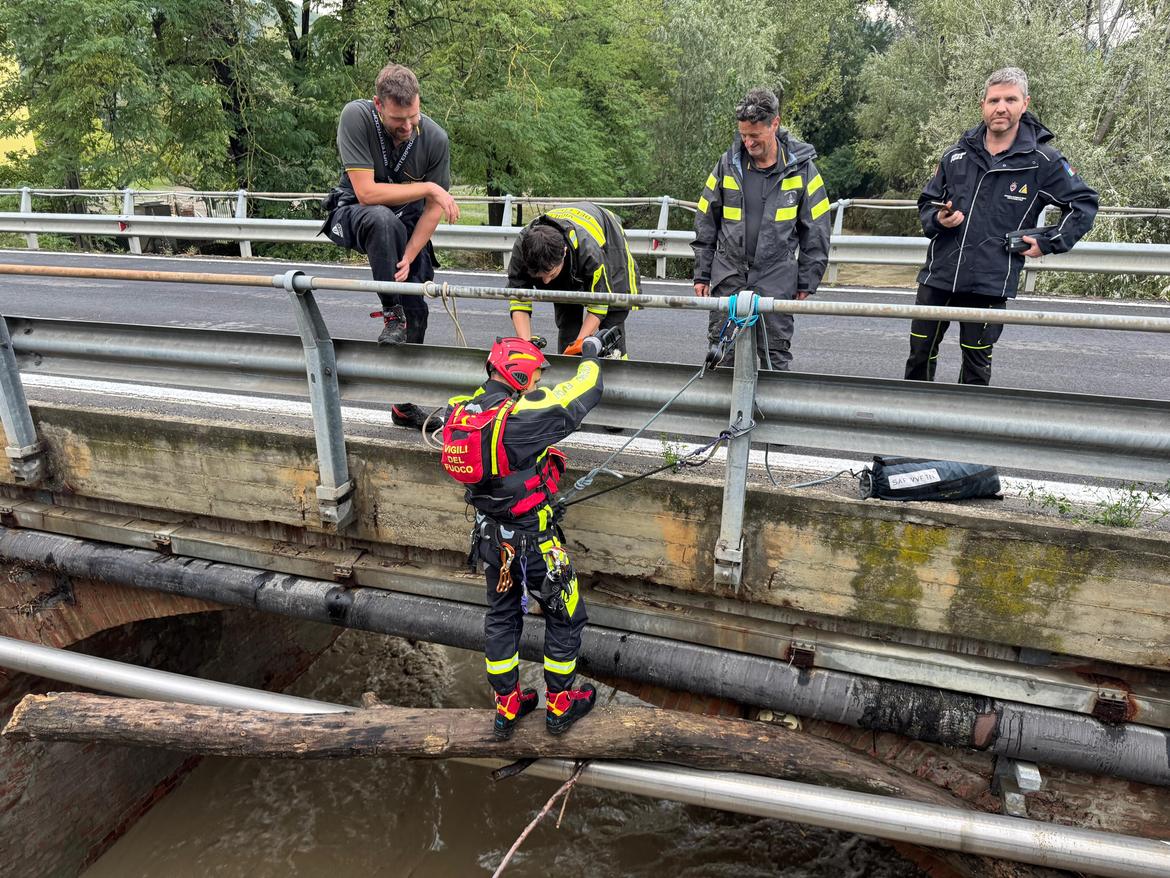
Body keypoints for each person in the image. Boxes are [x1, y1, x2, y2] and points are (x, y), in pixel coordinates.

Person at [441, 335, 606, 739]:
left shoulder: (460, 412)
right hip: (535, 542)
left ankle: (508, 704)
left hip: (491, 540)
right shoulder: (519, 417)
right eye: (532, 376)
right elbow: (585, 392)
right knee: (566, 615)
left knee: (501, 615)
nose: (534, 385)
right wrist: (591, 356)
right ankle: (560, 704)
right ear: (516, 373)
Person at [905, 67, 1098, 385]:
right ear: (983, 104)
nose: (1001, 107)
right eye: (994, 100)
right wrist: (938, 219)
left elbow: (1084, 204)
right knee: (919, 357)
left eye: (1010, 99)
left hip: (991, 282)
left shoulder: (1043, 161)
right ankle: (914, 425)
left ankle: (969, 431)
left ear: (1025, 103)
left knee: (976, 367)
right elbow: (927, 203)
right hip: (939, 276)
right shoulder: (956, 155)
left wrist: (1050, 241)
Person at [320, 63, 459, 429]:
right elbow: (367, 193)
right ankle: (389, 312)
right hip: (356, 211)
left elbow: (432, 212)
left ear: (419, 104)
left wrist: (411, 256)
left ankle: (403, 404)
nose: (407, 126)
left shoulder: (435, 139)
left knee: (418, 312)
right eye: (398, 119)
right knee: (381, 218)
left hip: (409, 225)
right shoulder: (356, 116)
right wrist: (429, 186)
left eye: (413, 116)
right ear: (378, 105)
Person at [692, 87, 831, 370]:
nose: (748, 143)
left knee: (775, 359)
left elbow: (816, 230)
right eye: (743, 135)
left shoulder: (803, 170)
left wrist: (807, 280)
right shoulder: (726, 165)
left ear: (775, 124)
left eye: (754, 136)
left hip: (776, 278)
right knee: (721, 357)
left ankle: (772, 414)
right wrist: (702, 273)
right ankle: (723, 414)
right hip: (728, 275)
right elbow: (706, 220)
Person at [506, 203, 640, 357]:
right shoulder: (522, 247)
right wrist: (526, 348)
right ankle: (568, 371)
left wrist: (581, 344)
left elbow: (600, 305)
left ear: (563, 253)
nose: (546, 282)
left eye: (551, 274)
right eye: (540, 276)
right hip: (568, 253)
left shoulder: (590, 252)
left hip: (608, 240)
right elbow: (519, 300)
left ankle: (618, 373)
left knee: (612, 320)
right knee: (568, 321)